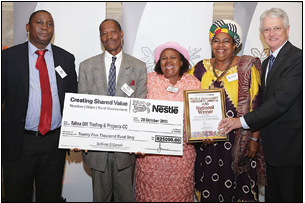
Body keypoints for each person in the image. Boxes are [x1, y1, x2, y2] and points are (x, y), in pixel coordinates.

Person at [219, 8, 302, 202]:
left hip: (290, 149)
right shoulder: (265, 63)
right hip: (270, 150)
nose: (271, 34)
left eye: (276, 28)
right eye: (267, 30)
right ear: (261, 33)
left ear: (287, 29)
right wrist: (254, 139)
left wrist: (241, 121)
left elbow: (280, 103)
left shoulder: (297, 59)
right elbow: (260, 102)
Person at [2, 10, 77, 202]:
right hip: (19, 143)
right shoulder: (8, 57)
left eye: (50, 24)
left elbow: (72, 100)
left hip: (54, 145)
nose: (45, 27)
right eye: (40, 22)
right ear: (28, 27)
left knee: (50, 196)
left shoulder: (66, 59)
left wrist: (75, 135)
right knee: (16, 196)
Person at [188, 20, 266, 202]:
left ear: (235, 45)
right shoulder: (200, 68)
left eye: (226, 41)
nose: (220, 45)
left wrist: (254, 139)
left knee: (239, 191)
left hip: (240, 142)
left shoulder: (247, 68)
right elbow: (188, 103)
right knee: (209, 189)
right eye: (216, 40)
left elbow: (257, 105)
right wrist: (198, 133)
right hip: (207, 145)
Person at [78, 19, 147, 202]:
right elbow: (82, 108)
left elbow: (140, 107)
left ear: (121, 33)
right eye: (104, 33)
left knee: (125, 198)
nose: (109, 37)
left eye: (113, 32)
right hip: (96, 149)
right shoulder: (86, 67)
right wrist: (79, 136)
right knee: (100, 198)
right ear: (100, 37)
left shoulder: (138, 67)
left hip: (125, 151)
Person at [134, 42, 201, 202]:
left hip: (181, 157)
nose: (168, 62)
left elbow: (200, 116)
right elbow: (134, 110)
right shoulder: (148, 80)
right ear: (158, 62)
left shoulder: (193, 83)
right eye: (164, 58)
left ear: (181, 61)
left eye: (173, 58)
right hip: (150, 158)